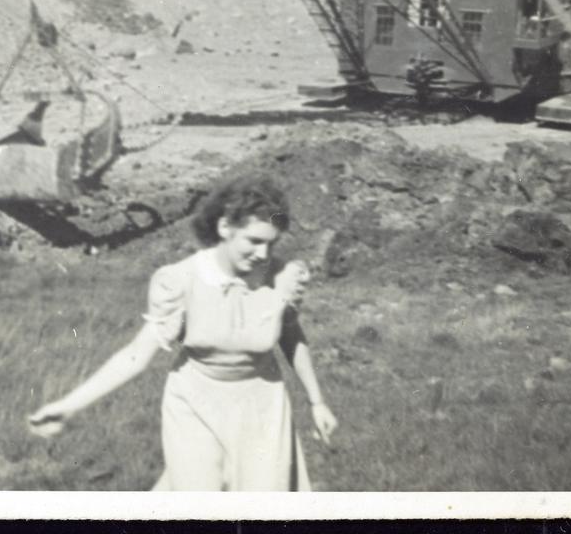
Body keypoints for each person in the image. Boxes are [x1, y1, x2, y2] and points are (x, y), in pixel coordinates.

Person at [28, 174, 338, 491]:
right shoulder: (180, 281)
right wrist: (68, 406)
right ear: (224, 229)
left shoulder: (281, 275)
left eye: (271, 243)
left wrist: (317, 402)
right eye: (254, 241)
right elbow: (136, 355)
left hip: (262, 404)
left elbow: (291, 335)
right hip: (195, 402)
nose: (263, 254)